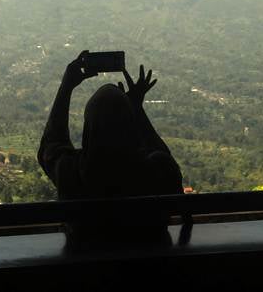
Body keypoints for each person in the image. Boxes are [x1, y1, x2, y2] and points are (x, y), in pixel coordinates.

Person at [39, 51, 183, 247]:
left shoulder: (71, 172)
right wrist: (136, 109)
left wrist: (66, 87)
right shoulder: (157, 170)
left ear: (89, 127)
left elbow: (51, 144)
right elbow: (164, 157)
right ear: (129, 125)